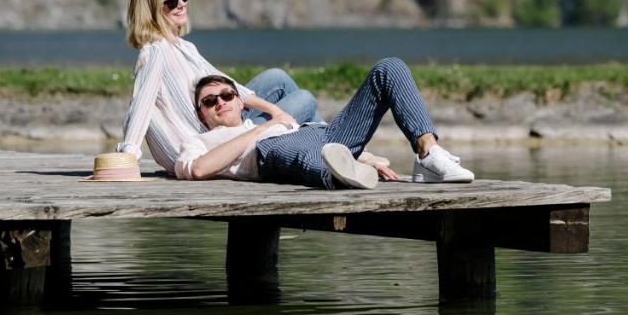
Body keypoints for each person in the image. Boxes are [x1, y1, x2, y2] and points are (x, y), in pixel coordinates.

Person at [116, 0, 323, 176]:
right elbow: (140, 106)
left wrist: (275, 112)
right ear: (152, 10)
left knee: (278, 78)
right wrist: (128, 157)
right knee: (304, 100)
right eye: (171, 2)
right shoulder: (155, 52)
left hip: (217, 121)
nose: (181, 3)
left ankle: (327, 144)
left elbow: (229, 85)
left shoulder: (183, 48)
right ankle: (330, 144)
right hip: (210, 144)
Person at [176, 57, 475, 189]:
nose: (220, 102)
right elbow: (199, 169)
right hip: (270, 150)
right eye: (209, 101)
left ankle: (428, 154)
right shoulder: (197, 142)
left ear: (241, 101)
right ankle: (341, 173)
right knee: (301, 156)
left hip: (322, 132)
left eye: (227, 94)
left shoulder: (261, 118)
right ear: (201, 115)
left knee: (389, 69)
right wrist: (261, 128)